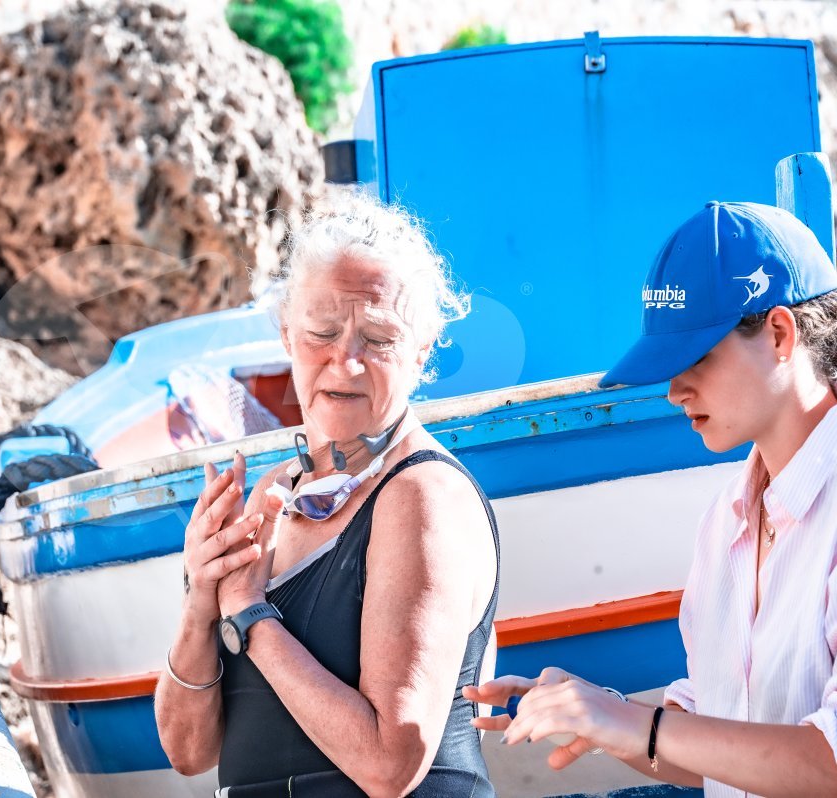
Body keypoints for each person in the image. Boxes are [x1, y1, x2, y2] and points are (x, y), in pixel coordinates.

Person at [465, 201, 837, 796]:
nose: (674, 390)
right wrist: (596, 712)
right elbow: (713, 750)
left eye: (695, 357)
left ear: (779, 333)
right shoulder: (726, 520)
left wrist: (633, 724)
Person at [153, 195, 500, 797]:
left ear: (422, 349)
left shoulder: (421, 496)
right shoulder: (270, 495)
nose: (347, 361)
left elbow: (391, 765)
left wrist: (250, 614)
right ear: (287, 334)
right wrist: (201, 605)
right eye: (323, 333)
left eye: (379, 338)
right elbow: (189, 753)